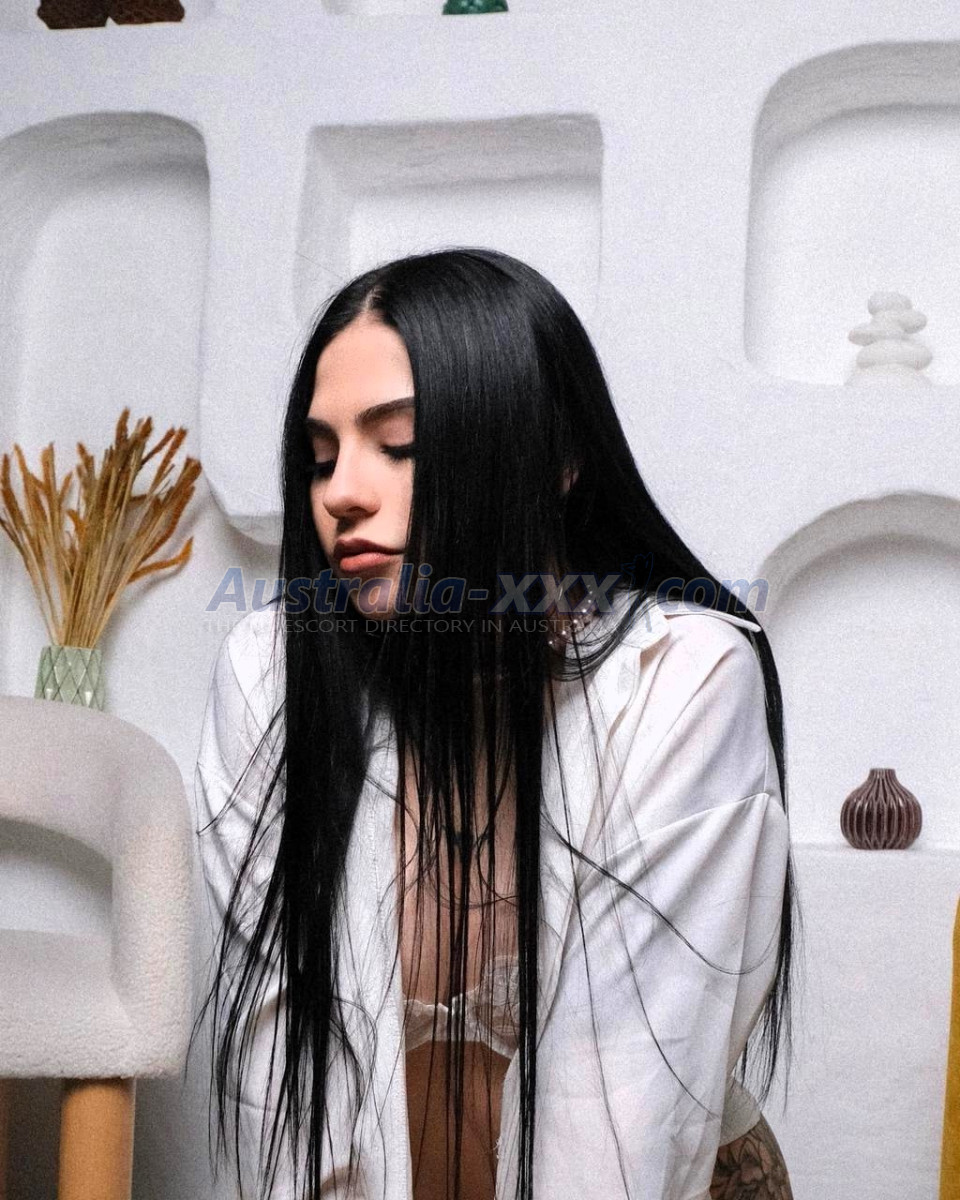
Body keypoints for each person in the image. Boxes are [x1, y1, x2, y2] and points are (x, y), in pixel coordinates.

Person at [192, 248, 801, 1200]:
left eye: (398, 445)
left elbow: (618, 1127)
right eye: (320, 456)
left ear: (558, 461)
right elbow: (281, 1086)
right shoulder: (274, 674)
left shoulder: (679, 682)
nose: (340, 491)